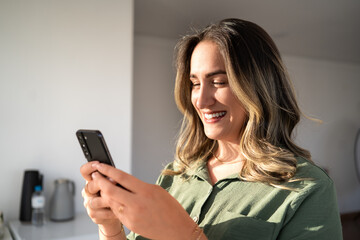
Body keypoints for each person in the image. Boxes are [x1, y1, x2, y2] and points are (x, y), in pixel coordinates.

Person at [80, 18, 343, 240]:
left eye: (218, 81)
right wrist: (111, 227)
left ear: (258, 86)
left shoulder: (308, 189)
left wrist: (186, 235)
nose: (201, 100)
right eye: (195, 83)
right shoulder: (176, 176)